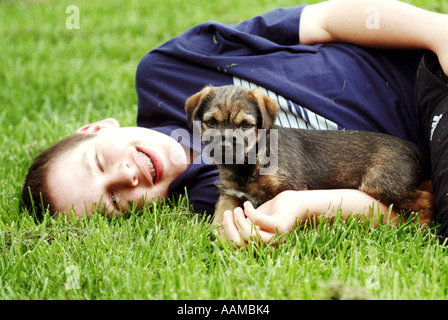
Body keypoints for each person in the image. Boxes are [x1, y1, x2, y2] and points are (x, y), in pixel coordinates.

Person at [21, 0, 448, 247]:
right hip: (425, 149)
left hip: (424, 66)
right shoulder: (212, 200)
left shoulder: (165, 70)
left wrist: (437, 30)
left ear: (97, 128)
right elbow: (390, 212)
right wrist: (300, 209)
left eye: (98, 163)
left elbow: (322, 18)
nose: (126, 175)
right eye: (114, 200)